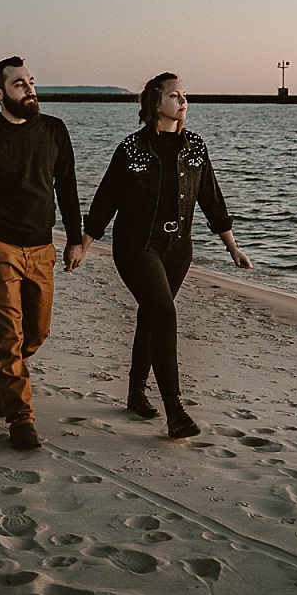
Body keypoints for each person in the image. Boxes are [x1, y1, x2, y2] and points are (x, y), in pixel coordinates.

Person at [70, 72, 251, 439]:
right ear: (155, 103)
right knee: (164, 314)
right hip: (136, 245)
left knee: (152, 315)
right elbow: (106, 199)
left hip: (178, 248)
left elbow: (211, 199)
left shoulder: (196, 147)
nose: (182, 101)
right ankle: (175, 410)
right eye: (174, 95)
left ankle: (136, 392)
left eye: (184, 95)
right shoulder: (132, 148)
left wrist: (231, 246)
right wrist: (83, 245)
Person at [0, 57, 85, 451]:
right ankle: (21, 419)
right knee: (9, 336)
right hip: (0, 250)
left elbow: (67, 189)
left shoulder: (55, 131)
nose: (29, 89)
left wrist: (75, 239)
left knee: (37, 333)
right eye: (18, 84)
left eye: (30, 82)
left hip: (43, 248)